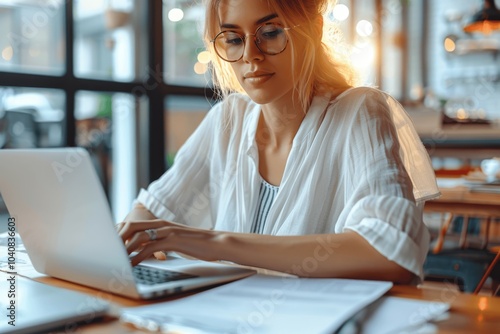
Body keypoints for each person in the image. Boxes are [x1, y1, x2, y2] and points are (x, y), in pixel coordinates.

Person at [118, 0, 440, 284]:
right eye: (232, 39)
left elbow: (393, 253)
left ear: (314, 28)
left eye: (270, 32)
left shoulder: (360, 112)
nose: (250, 56)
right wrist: (132, 239)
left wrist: (213, 243)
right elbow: (150, 210)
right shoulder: (227, 120)